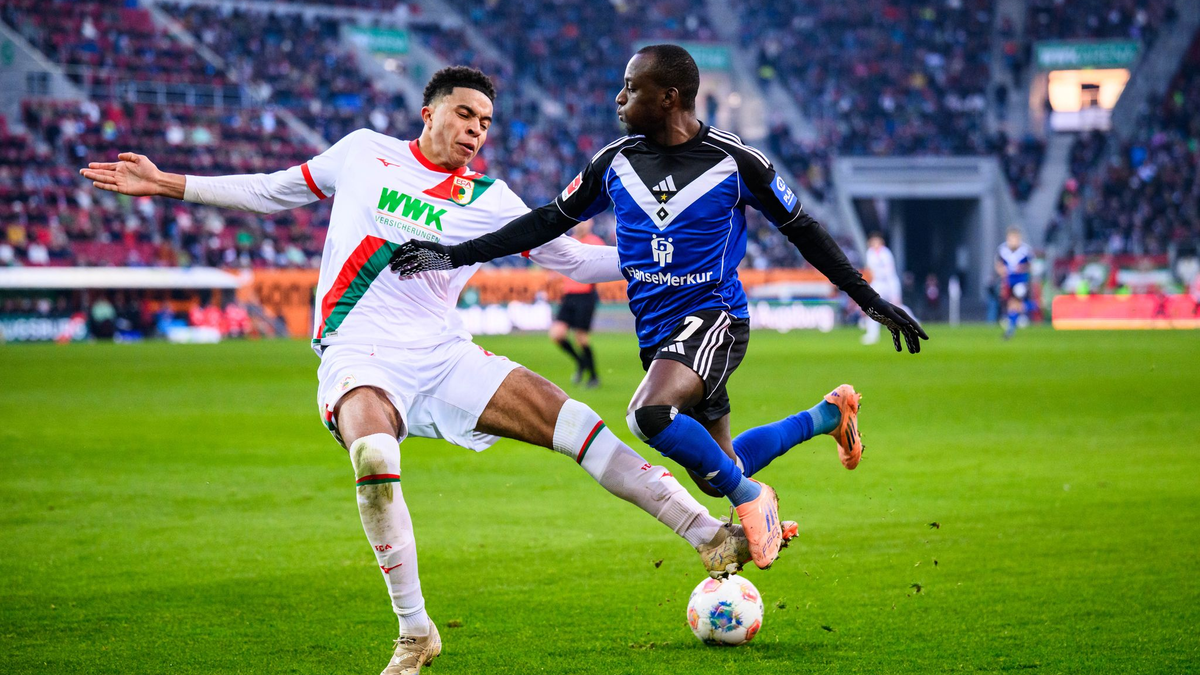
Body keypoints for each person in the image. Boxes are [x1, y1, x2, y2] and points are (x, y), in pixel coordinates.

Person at [80, 66, 787, 675]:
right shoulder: (364, 154)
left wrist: (679, 255)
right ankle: (416, 629)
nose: (477, 129)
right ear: (430, 113)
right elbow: (276, 189)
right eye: (464, 114)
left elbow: (573, 260)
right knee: (373, 453)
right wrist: (168, 184)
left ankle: (710, 534)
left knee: (579, 424)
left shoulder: (492, 201)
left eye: (486, 120)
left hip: (445, 355)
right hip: (359, 353)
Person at [389, 46, 928, 572]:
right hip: (657, 333)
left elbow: (804, 231)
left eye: (631, 87)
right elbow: (546, 220)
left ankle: (753, 499)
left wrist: (870, 300)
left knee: (649, 416)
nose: (619, 97)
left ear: (669, 97)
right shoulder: (614, 162)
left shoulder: (735, 162)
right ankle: (829, 415)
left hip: (715, 318)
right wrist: (453, 254)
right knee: (720, 466)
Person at [549, 219, 604, 387]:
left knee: (581, 338)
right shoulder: (569, 241)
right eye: (579, 221)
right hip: (569, 295)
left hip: (586, 295)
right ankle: (581, 362)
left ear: (591, 224)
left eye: (584, 221)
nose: (581, 225)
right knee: (557, 334)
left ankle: (594, 376)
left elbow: (602, 267)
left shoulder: (595, 243)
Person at [862, 232, 903, 345]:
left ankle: (912, 324)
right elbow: (870, 270)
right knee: (871, 306)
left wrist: (895, 292)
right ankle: (872, 334)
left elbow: (889, 272)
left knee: (897, 307)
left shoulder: (886, 253)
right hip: (878, 283)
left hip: (889, 282)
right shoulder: (870, 253)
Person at [996, 227, 1033, 339]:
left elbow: (1030, 266)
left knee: (1014, 303)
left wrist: (1021, 268)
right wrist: (1002, 272)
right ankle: (1033, 308)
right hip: (1008, 281)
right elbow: (998, 265)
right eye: (1010, 238)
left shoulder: (1025, 250)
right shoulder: (1002, 250)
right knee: (1012, 304)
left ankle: (1011, 328)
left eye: (1014, 238)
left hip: (1021, 280)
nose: (1012, 241)